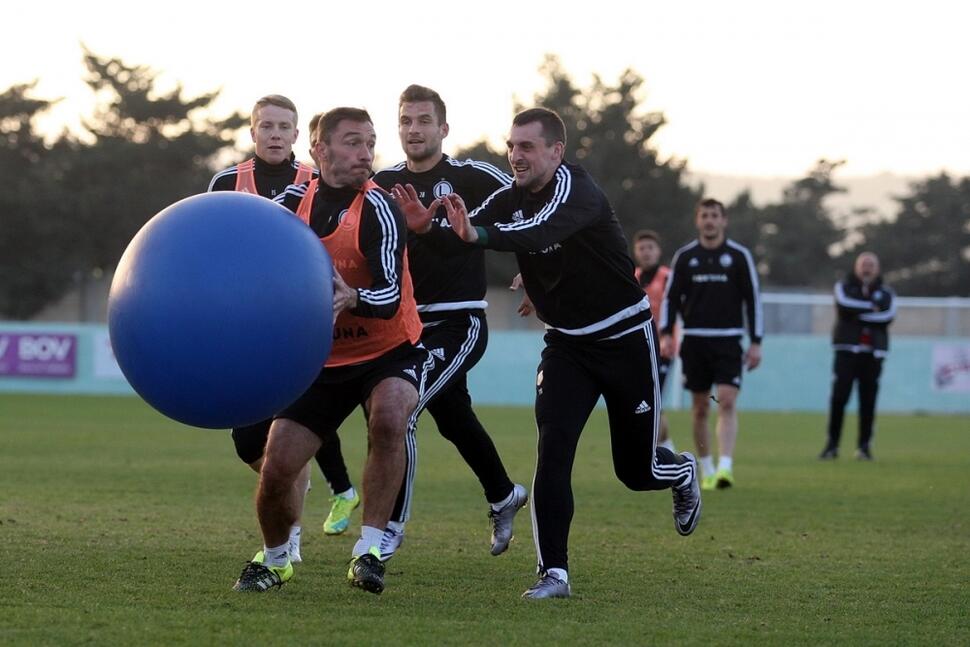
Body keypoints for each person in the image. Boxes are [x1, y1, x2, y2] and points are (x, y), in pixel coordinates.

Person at [401, 107, 701, 599]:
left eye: (527, 147)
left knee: (636, 470)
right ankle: (554, 574)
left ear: (556, 152)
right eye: (512, 146)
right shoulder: (510, 197)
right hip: (567, 346)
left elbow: (538, 231)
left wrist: (477, 236)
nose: (515, 156)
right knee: (553, 451)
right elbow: (464, 233)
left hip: (625, 338)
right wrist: (425, 229)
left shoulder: (576, 190)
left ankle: (683, 470)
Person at [232, 108, 427, 595]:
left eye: (370, 142)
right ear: (319, 149)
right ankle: (276, 561)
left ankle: (370, 550)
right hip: (321, 358)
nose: (366, 153)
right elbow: (261, 271)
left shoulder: (379, 208)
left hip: (389, 350)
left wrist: (351, 297)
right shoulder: (289, 204)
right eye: (353, 142)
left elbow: (389, 295)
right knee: (277, 468)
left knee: (388, 418)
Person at [373, 84, 527, 560]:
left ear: (443, 128)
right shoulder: (380, 183)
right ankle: (504, 495)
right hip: (403, 327)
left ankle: (387, 530)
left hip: (459, 322)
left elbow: (529, 208)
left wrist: (536, 269)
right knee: (454, 417)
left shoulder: (473, 175)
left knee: (403, 412)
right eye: (406, 121)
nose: (414, 129)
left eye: (423, 121)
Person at [659, 199, 763, 491]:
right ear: (698, 221)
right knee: (701, 408)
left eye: (714, 216)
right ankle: (706, 469)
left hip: (729, 339)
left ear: (723, 221)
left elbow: (752, 300)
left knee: (727, 400)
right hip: (694, 339)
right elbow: (670, 298)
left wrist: (756, 342)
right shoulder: (686, 256)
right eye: (704, 215)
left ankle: (726, 468)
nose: (709, 221)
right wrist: (667, 333)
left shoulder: (739, 256)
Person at [820, 252, 896, 460]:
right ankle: (832, 446)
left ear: (877, 268)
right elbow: (844, 306)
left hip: (872, 355)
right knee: (839, 399)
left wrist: (859, 315)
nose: (867, 268)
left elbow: (887, 316)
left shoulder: (886, 293)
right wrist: (870, 307)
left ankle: (864, 447)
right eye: (863, 264)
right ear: (856, 267)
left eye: (871, 264)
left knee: (868, 401)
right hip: (846, 352)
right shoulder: (844, 287)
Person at [633, 229, 676, 453]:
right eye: (642, 248)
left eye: (650, 247)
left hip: (662, 349)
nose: (646, 252)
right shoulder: (633, 277)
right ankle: (669, 451)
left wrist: (670, 337)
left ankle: (656, 454)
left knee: (653, 400)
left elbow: (677, 308)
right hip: (638, 349)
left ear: (658, 251)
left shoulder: (667, 277)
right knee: (648, 401)